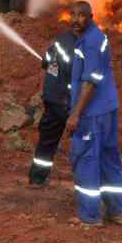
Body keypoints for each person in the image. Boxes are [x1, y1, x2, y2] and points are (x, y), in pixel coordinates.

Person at [65, 0, 122, 226]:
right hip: (108, 109)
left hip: (91, 114)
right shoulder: (97, 37)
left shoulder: (90, 42)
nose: (75, 19)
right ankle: (117, 212)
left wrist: (75, 115)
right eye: (72, 14)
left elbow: (90, 82)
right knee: (108, 160)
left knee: (86, 160)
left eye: (81, 15)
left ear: (91, 17)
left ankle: (90, 216)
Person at [28, 25, 77, 187]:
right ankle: (89, 183)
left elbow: (45, 61)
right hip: (64, 101)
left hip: (50, 97)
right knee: (87, 140)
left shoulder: (63, 38)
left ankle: (37, 179)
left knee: (47, 139)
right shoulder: (79, 47)